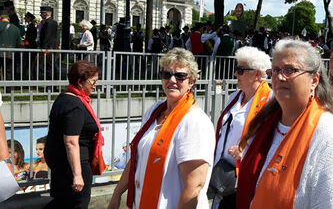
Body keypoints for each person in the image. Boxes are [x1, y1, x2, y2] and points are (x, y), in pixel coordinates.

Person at [236, 39, 333, 208]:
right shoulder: (266, 123)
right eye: (275, 70)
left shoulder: (332, 137)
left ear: (314, 80)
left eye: (290, 70)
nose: (280, 77)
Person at [108, 48, 215, 209]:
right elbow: (137, 158)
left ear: (191, 81)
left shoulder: (195, 122)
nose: (172, 80)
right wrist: (117, 194)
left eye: (180, 76)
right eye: (166, 75)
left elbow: (195, 186)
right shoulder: (154, 110)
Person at [211, 46, 272, 209]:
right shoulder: (235, 96)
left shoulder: (270, 102)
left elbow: (272, 141)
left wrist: (245, 152)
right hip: (223, 173)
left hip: (245, 176)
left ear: (258, 74)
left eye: (240, 70)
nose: (235, 74)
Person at [44, 60, 105, 208]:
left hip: (62, 161)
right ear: (80, 82)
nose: (96, 84)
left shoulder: (65, 98)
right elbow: (71, 142)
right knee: (78, 202)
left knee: (64, 200)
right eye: (93, 81)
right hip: (73, 164)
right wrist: (77, 175)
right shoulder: (74, 105)